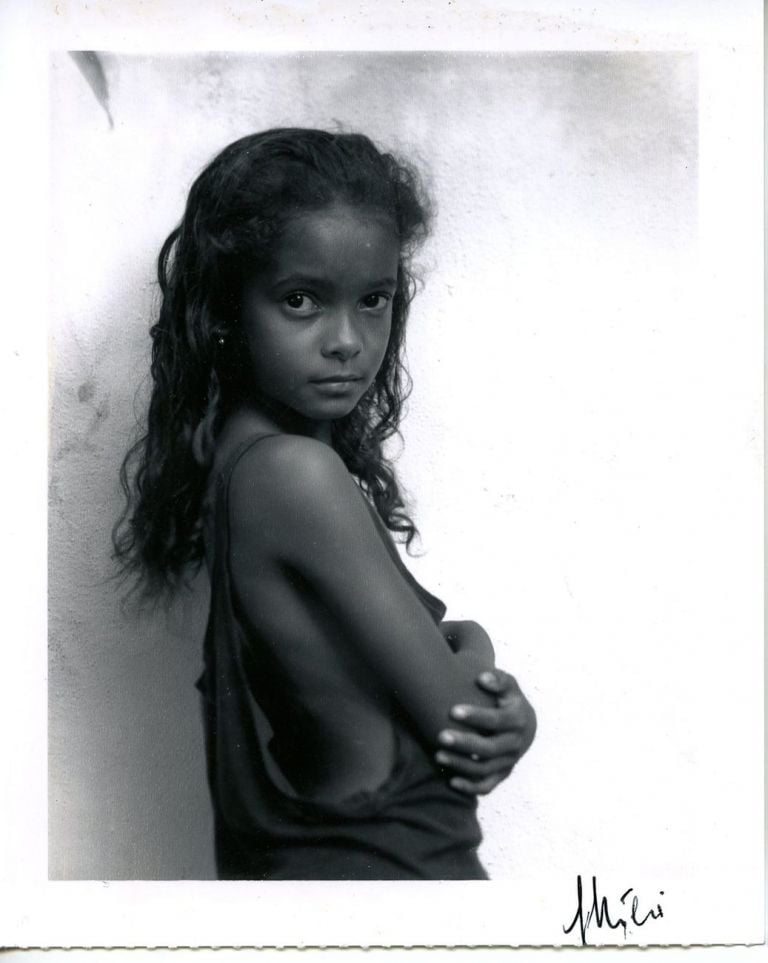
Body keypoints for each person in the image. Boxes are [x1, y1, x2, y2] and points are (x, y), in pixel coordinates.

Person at [114, 128, 536, 880]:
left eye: (373, 299)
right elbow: (464, 731)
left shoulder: (241, 455)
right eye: (300, 299)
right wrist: (484, 652)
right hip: (390, 889)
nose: (348, 340)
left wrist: (464, 644)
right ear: (225, 308)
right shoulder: (294, 475)